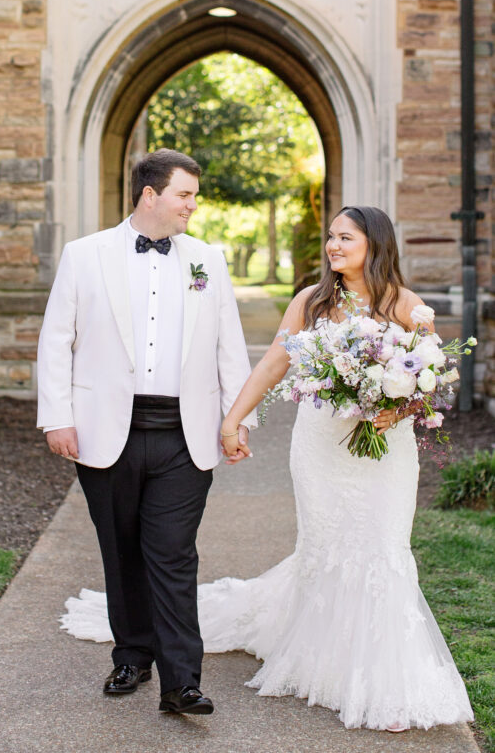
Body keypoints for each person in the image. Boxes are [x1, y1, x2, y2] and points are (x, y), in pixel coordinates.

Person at [62, 206, 473, 733]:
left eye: (344, 238)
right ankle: (323, 658)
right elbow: (273, 364)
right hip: (322, 447)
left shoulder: (408, 307)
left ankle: (380, 674)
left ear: (375, 244)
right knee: (327, 546)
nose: (333, 246)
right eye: (330, 237)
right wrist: (233, 419)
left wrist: (398, 406)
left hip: (385, 456)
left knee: (382, 549)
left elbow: (433, 378)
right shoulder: (312, 301)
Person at [37, 148, 257, 716]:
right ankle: (132, 654)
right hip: (105, 431)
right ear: (150, 194)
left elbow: (228, 346)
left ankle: (182, 681)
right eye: (185, 194)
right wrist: (57, 416)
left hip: (186, 434)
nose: (192, 205)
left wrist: (237, 421)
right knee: (121, 549)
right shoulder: (85, 255)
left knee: (173, 553)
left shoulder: (208, 258)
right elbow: (57, 339)